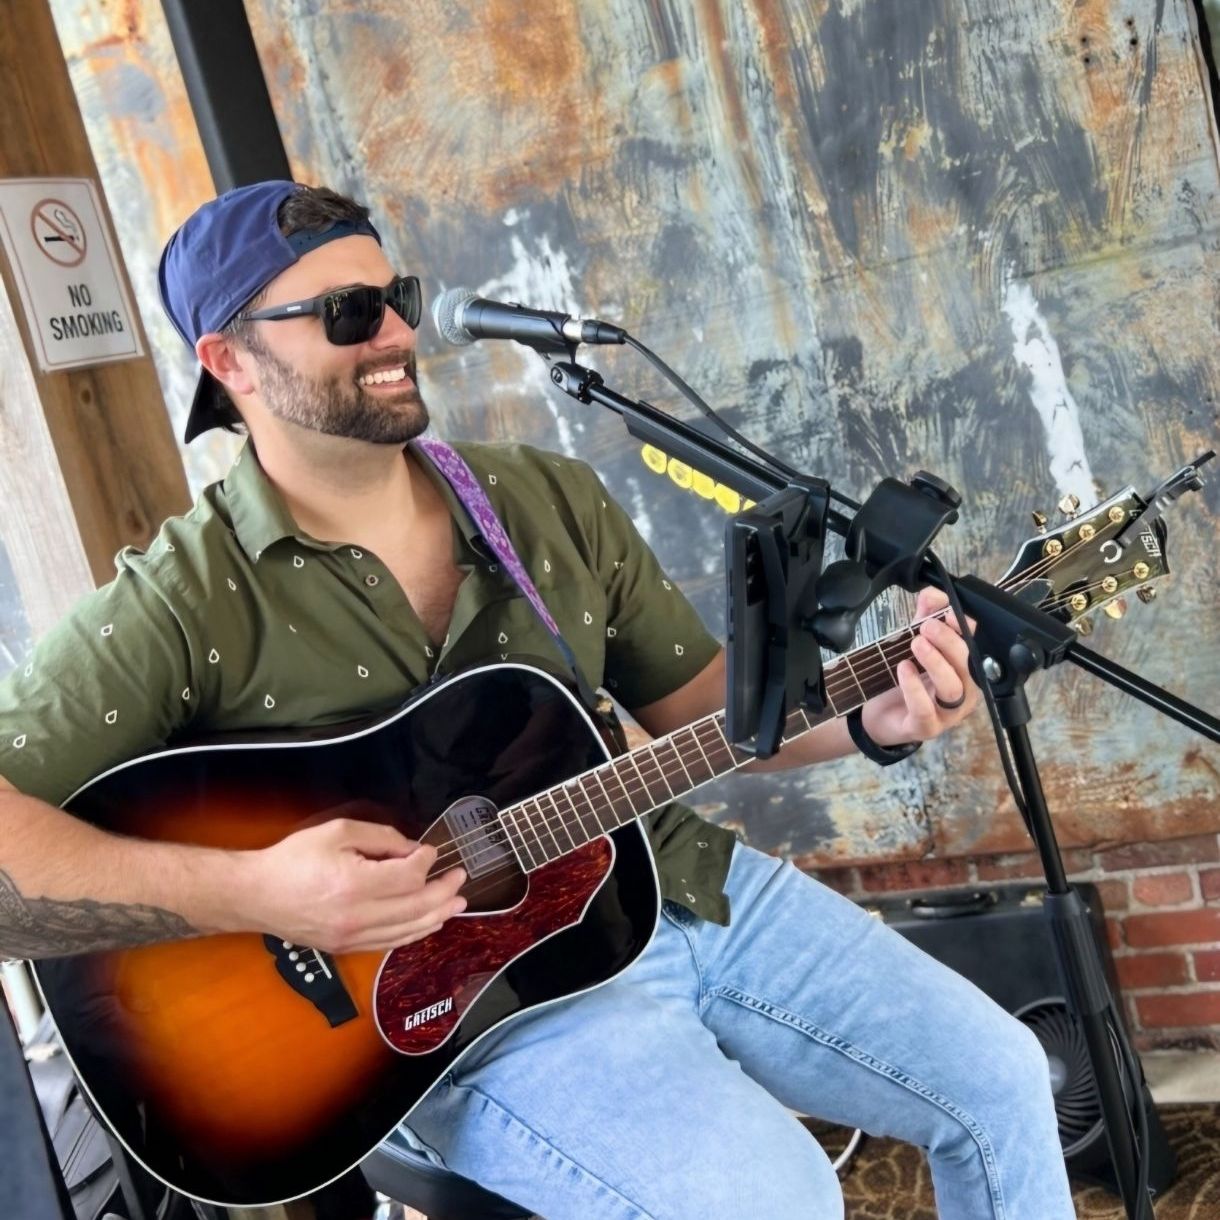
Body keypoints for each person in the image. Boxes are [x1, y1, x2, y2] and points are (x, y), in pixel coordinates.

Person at [0, 180, 1075, 1220]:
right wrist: (257, 891)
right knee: (776, 1198)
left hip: (677, 881)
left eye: (397, 298)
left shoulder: (541, 498)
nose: (395, 333)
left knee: (999, 1077)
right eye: (347, 313)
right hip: (466, 1011)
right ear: (228, 359)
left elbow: (710, 709)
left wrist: (875, 717)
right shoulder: (180, 599)